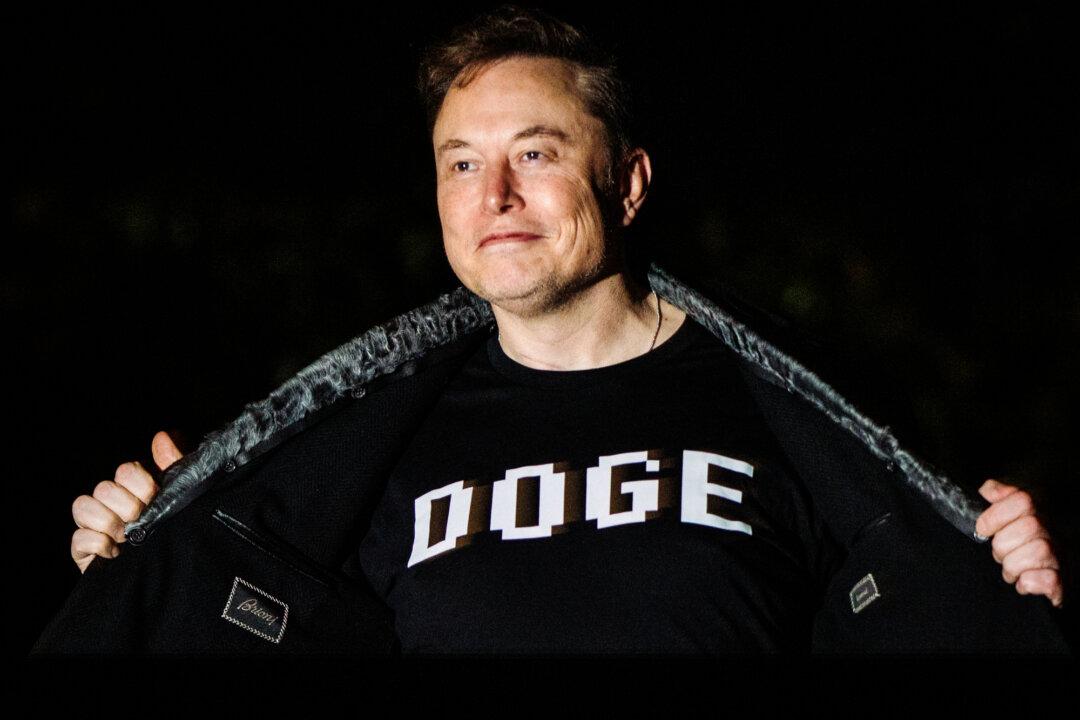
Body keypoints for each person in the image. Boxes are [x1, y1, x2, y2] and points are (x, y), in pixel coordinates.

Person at [38, 5, 1066, 654]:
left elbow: (920, 600)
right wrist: (147, 556)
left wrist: (1011, 574)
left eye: (535, 153)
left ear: (626, 183)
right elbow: (236, 608)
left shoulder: (790, 408)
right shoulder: (360, 454)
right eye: (460, 162)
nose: (495, 194)